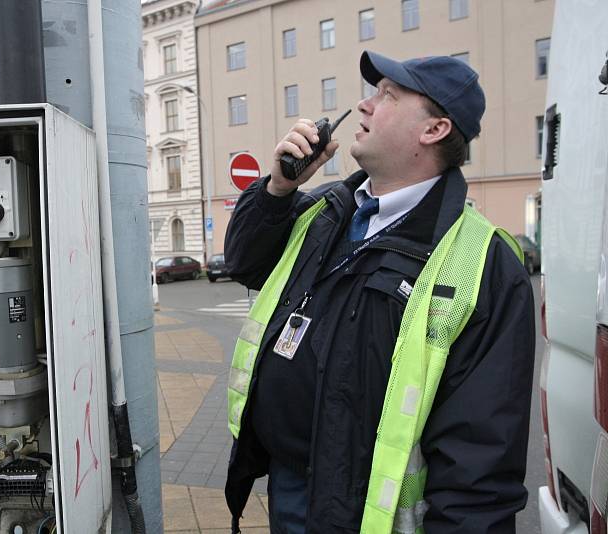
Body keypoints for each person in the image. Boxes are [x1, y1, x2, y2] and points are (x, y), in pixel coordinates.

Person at [223, 50, 535, 533]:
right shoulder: (325, 212)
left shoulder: (484, 262)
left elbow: (480, 462)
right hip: (290, 488)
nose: (365, 106)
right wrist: (279, 188)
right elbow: (244, 263)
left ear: (434, 130)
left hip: (370, 512)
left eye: (387, 95)